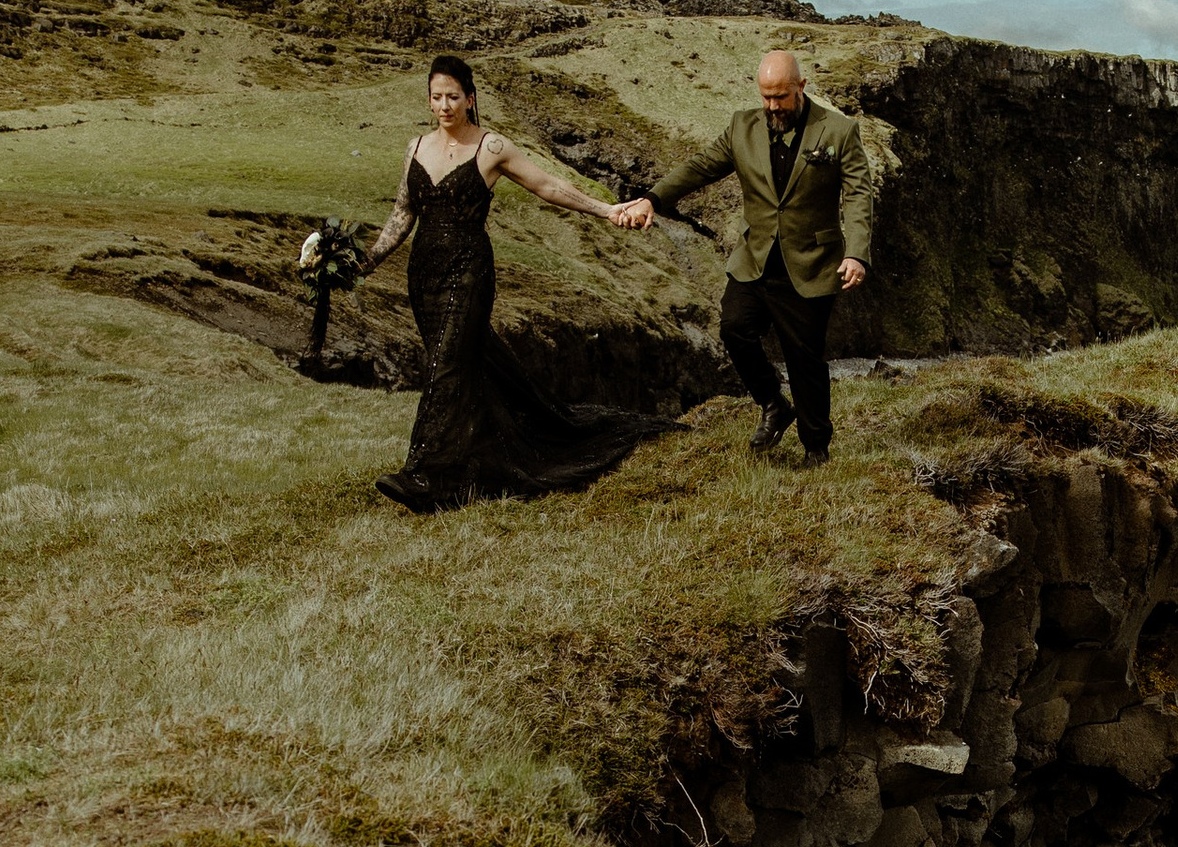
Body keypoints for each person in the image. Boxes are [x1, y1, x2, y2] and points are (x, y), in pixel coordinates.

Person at [348, 53, 660, 511]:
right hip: (424, 275)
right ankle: (482, 458)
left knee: (447, 366)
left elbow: (548, 186)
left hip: (469, 271)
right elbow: (403, 213)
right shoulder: (416, 148)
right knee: (463, 364)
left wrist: (607, 210)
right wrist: (367, 261)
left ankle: (424, 475)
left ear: (470, 99)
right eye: (436, 97)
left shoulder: (491, 148)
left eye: (453, 96)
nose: (444, 106)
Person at [645, 48, 876, 467]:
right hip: (754, 259)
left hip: (811, 263)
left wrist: (857, 254)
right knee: (734, 328)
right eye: (766, 97)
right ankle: (773, 403)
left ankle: (816, 449)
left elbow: (859, 195)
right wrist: (653, 198)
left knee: (804, 358)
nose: (773, 106)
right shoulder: (741, 127)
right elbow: (700, 167)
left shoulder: (839, 131)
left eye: (781, 97)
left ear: (801, 88)